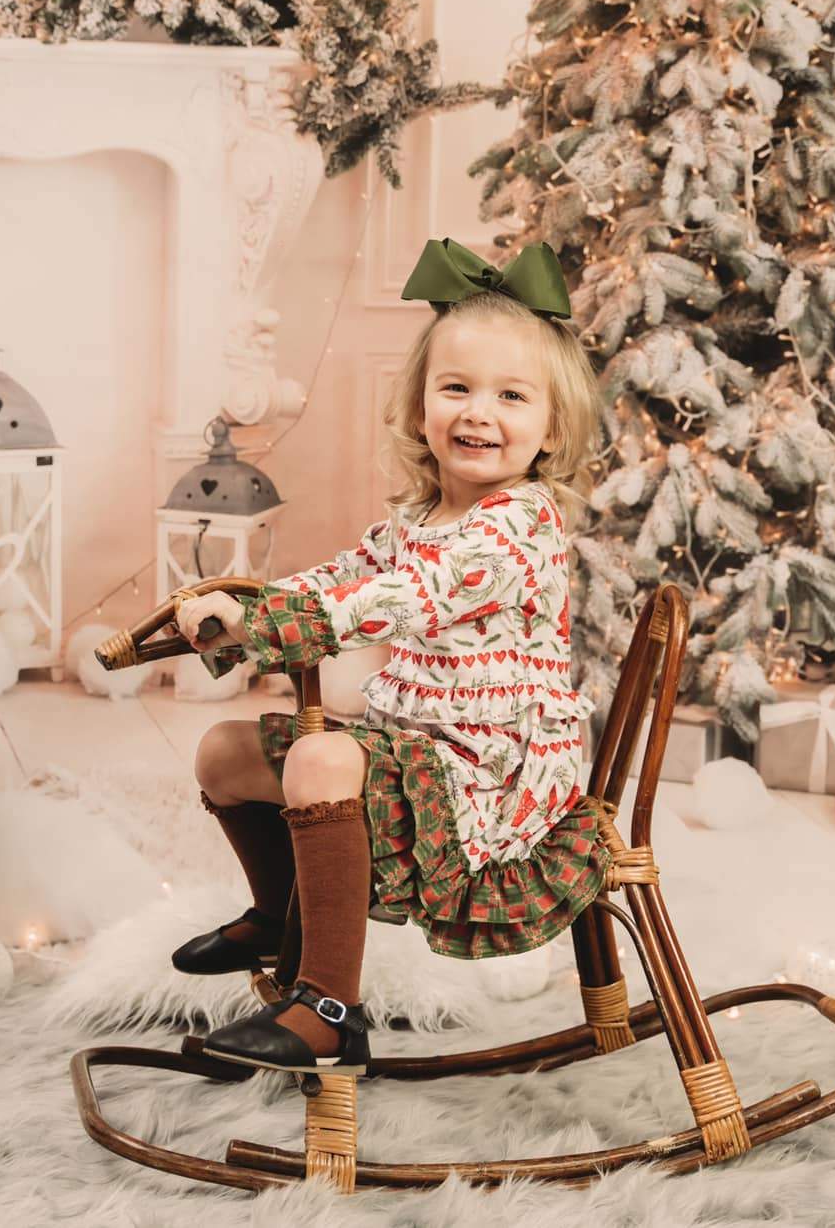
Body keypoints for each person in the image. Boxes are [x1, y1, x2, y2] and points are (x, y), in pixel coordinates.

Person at [169, 237, 610, 1076]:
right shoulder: (422, 517)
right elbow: (344, 576)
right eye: (456, 388)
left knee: (325, 755)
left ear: (552, 426)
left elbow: (400, 600)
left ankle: (330, 1008)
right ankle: (277, 915)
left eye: (512, 396)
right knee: (225, 754)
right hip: (420, 753)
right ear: (418, 408)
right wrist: (248, 608)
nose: (479, 412)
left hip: (492, 777)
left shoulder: (516, 524)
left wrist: (279, 629)